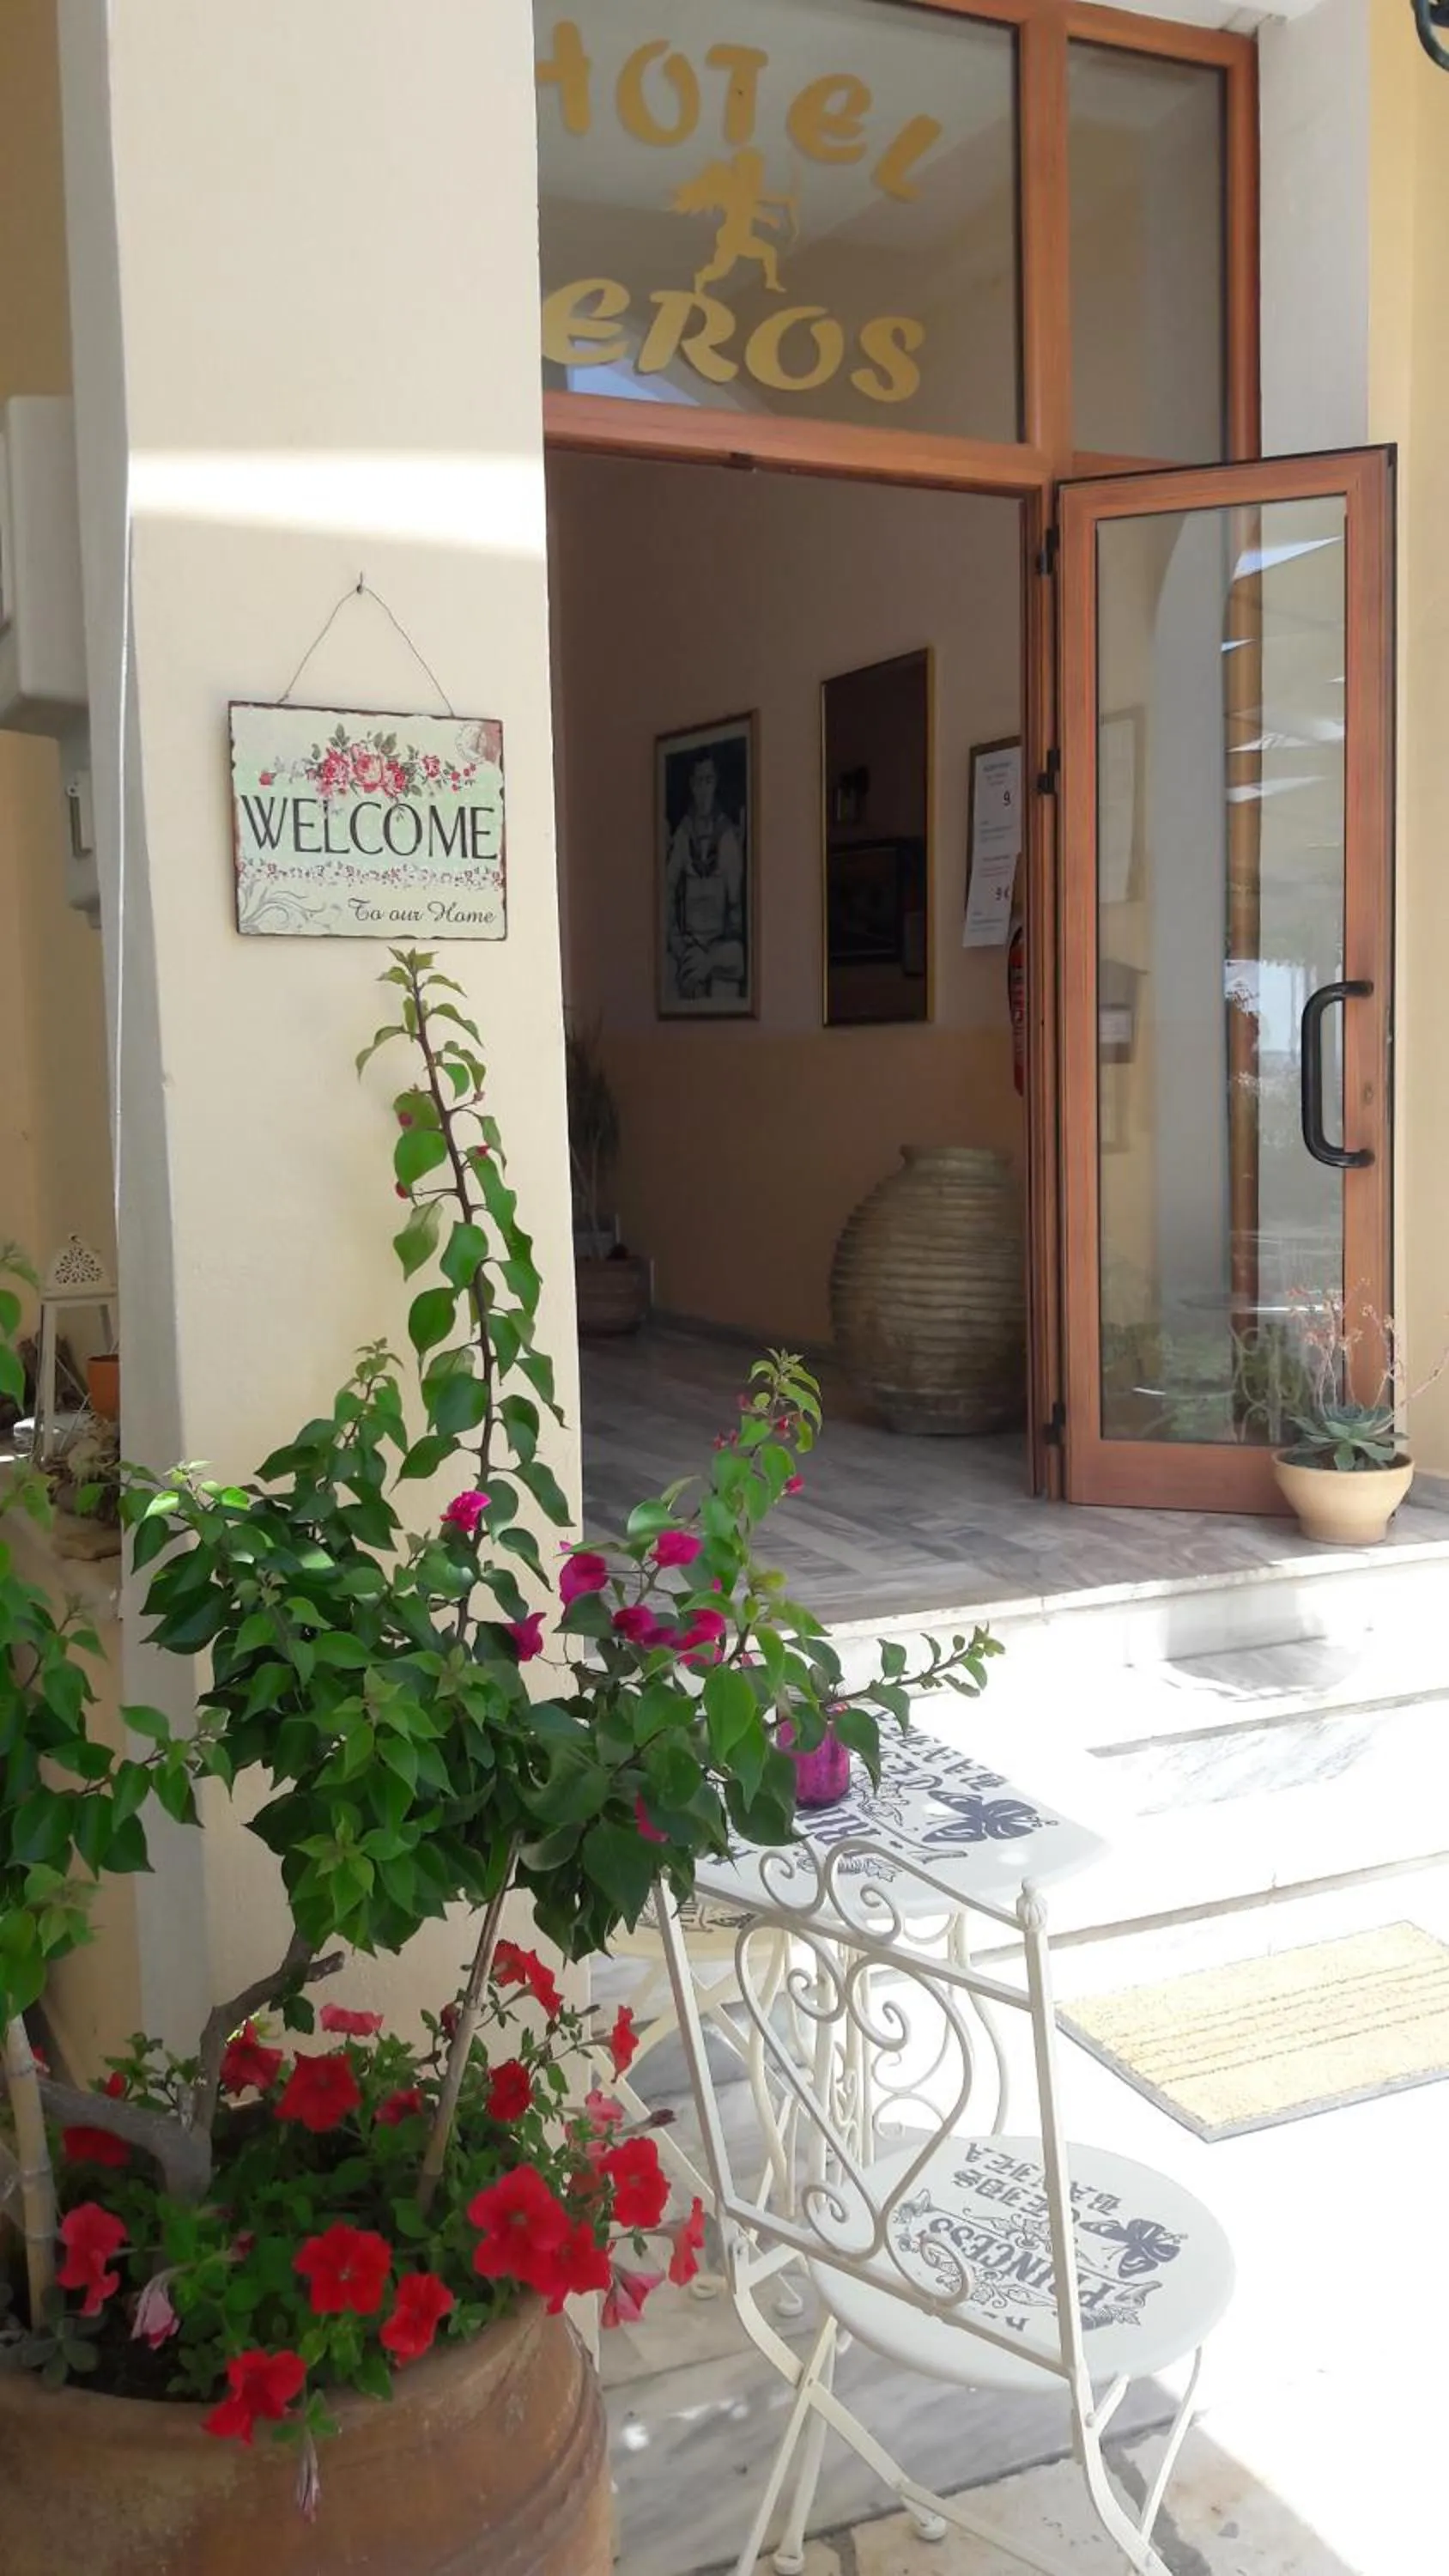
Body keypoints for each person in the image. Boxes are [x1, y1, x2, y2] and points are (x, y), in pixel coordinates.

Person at [664, 752, 747, 1004]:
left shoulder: (727, 838)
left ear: (716, 783)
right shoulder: (682, 835)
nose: (703, 789)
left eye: (708, 781)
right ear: (691, 785)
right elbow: (666, 893)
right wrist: (680, 947)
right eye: (698, 781)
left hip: (720, 947)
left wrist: (711, 958)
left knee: (730, 972)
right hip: (687, 947)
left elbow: (736, 913)